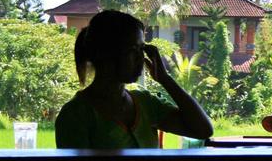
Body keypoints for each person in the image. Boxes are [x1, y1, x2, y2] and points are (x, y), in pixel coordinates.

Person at [55, 10, 213, 149]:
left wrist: (165, 79)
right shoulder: (75, 114)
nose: (141, 58)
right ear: (105, 53)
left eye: (141, 49)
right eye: (132, 50)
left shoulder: (145, 102)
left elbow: (203, 130)